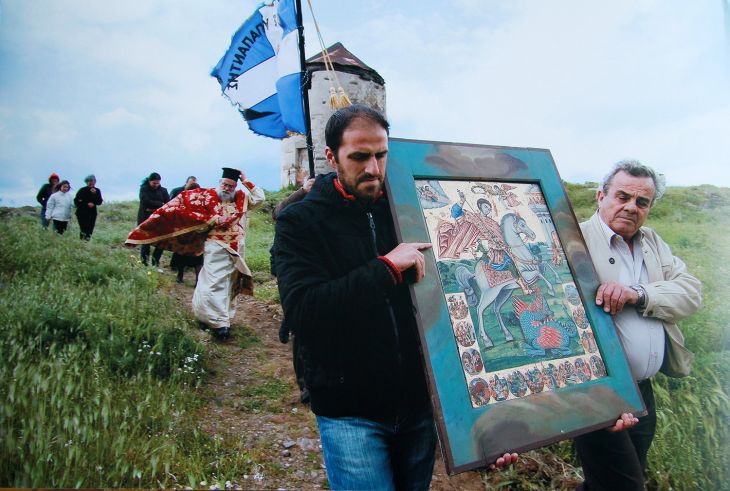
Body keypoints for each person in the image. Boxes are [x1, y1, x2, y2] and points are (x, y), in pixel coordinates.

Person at [271, 105, 517, 490]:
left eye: (381, 155)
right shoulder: (300, 222)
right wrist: (385, 268)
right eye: (359, 157)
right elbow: (303, 311)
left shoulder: (410, 209)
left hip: (419, 404)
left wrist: (488, 423)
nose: (373, 169)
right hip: (351, 411)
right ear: (332, 157)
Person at [574, 160, 702, 491]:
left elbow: (691, 293)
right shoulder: (574, 240)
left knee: (612, 481)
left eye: (642, 201)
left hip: (643, 391)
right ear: (601, 196)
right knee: (625, 485)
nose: (631, 207)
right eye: (623, 196)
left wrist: (637, 293)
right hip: (598, 391)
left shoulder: (653, 243)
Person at [126, 167, 265, 341]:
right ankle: (219, 324)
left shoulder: (241, 197)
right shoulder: (205, 196)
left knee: (230, 282)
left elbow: (260, 198)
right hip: (216, 246)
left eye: (231, 186)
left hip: (237, 247)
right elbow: (182, 209)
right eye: (225, 184)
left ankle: (219, 317)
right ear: (220, 182)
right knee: (214, 282)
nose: (227, 188)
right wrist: (213, 219)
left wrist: (246, 181)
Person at [270, 176, 316, 404]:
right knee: (302, 329)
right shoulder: (296, 204)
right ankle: (305, 384)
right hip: (295, 270)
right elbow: (278, 213)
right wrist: (303, 191)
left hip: (322, 270)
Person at [170, 181, 204, 284]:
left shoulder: (182, 200)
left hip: (184, 233)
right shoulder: (202, 201)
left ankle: (180, 277)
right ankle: (197, 281)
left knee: (182, 255)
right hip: (197, 234)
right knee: (197, 258)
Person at [137, 172, 170, 267]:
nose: (156, 185)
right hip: (146, 219)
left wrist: (160, 206)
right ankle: (144, 263)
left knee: (162, 242)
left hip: (160, 220)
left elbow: (168, 203)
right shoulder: (144, 189)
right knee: (146, 242)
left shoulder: (163, 190)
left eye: (157, 183)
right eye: (154, 183)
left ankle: (155, 262)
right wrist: (160, 204)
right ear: (149, 181)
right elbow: (145, 201)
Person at [74, 174, 103, 240]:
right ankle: (82, 242)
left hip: (92, 214)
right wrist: (87, 204)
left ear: (95, 181)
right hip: (81, 213)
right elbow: (76, 201)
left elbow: (99, 202)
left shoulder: (97, 190)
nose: (91, 182)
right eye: (89, 181)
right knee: (83, 229)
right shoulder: (82, 190)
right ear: (86, 182)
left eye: (92, 181)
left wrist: (94, 194)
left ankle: (86, 242)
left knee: (90, 229)